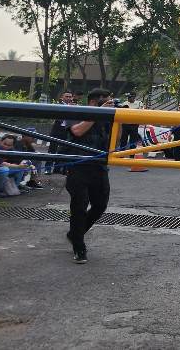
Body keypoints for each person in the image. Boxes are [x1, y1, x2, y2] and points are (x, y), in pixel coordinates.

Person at [62, 88, 113, 264]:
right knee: (79, 206)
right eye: (104, 101)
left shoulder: (106, 117)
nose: (108, 104)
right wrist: (99, 113)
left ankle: (75, 234)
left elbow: (116, 139)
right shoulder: (76, 112)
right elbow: (76, 131)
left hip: (99, 167)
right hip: (79, 167)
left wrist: (119, 118)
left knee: (100, 205)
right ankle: (79, 246)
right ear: (92, 102)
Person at [48, 91, 75, 174]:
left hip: (67, 131)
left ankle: (58, 168)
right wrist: (68, 109)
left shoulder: (74, 107)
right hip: (57, 130)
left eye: (70, 97)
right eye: (66, 96)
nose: (69, 98)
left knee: (64, 150)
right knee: (52, 149)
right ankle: (48, 168)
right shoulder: (58, 105)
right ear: (62, 98)